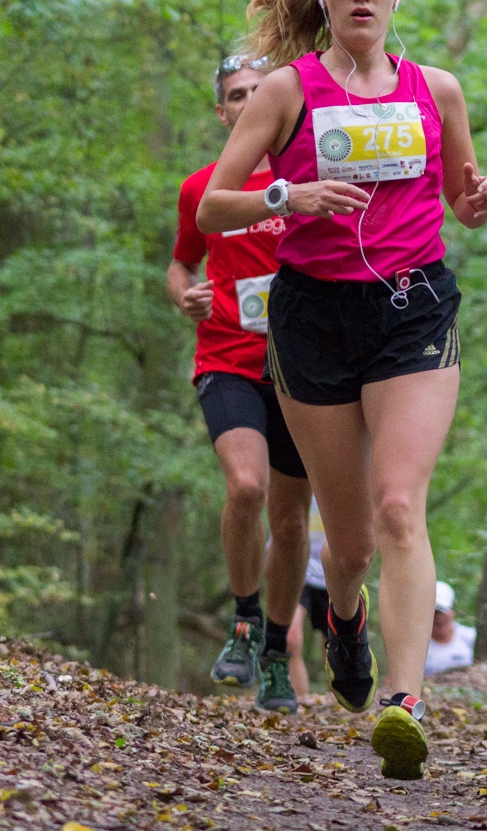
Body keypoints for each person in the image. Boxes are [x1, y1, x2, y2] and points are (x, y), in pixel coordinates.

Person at [196, 0, 487, 780]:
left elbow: (464, 198)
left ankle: (405, 705)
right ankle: (345, 617)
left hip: (412, 312)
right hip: (314, 320)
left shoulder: (435, 90)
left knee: (401, 506)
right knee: (353, 539)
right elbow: (211, 210)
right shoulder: (286, 93)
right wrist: (288, 195)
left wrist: (483, 198)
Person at [169, 55, 311, 715]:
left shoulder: (306, 177)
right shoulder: (202, 187)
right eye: (235, 95)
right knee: (246, 486)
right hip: (227, 356)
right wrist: (185, 296)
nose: (248, 100)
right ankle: (246, 623)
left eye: (259, 91)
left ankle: (280, 654)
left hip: (304, 367)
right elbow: (180, 263)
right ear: (222, 111)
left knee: (289, 517)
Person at [286, 502, 329, 697]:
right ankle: (300, 706)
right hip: (295, 567)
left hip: (333, 570)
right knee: (290, 638)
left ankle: (339, 706)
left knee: (336, 647)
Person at [424, 581, 476, 677]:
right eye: (434, 612)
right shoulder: (419, 645)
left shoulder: (470, 637)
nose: (438, 617)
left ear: (453, 611)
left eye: (442, 611)